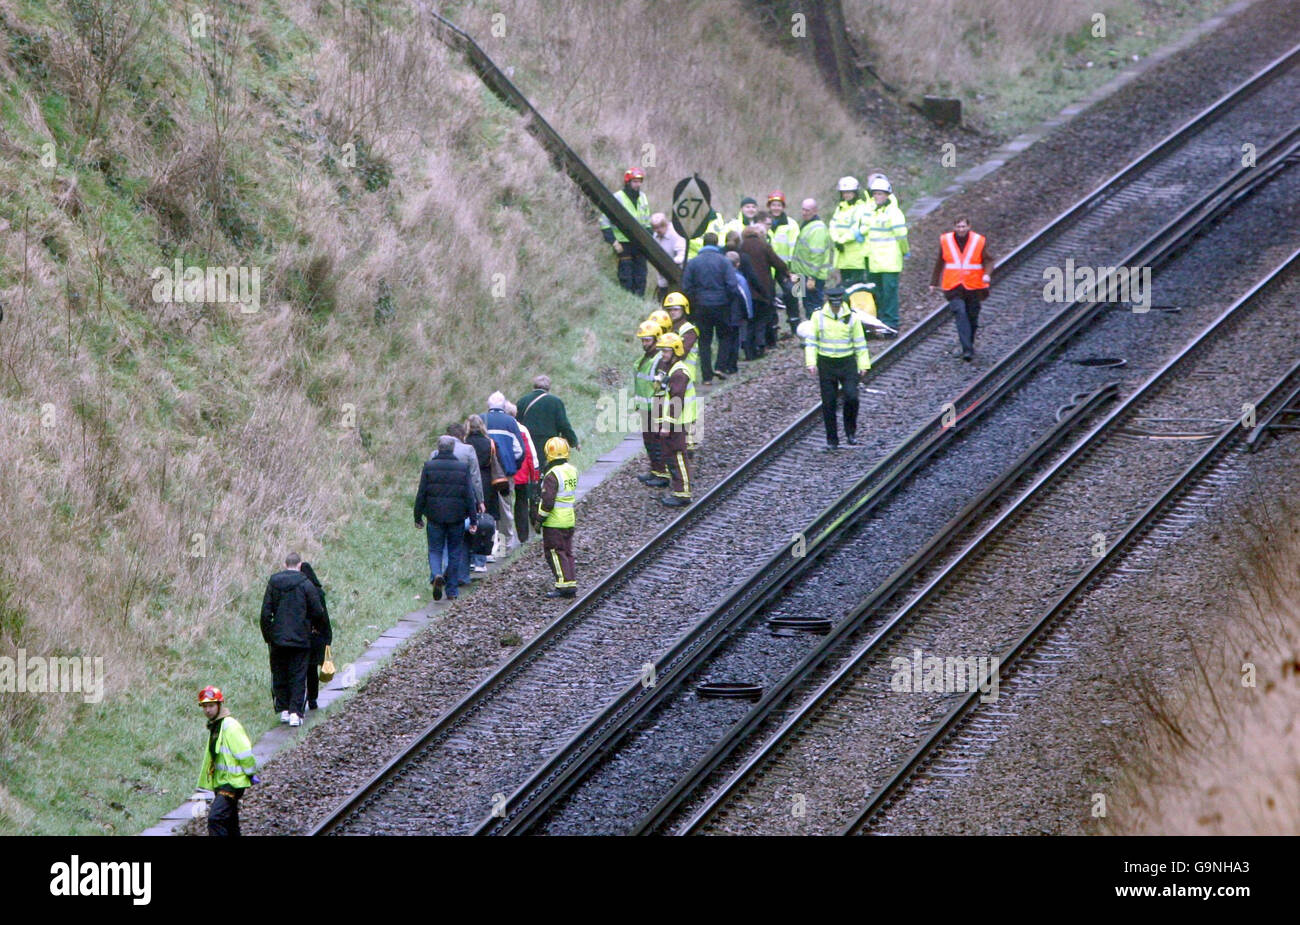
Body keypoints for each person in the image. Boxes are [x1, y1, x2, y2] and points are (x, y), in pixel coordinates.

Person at [260, 552, 327, 726]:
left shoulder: (273, 583)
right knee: (298, 674)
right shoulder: (306, 584)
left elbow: (265, 614)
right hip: (300, 638)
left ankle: (283, 709)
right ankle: (295, 713)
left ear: (284, 564)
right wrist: (313, 628)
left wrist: (269, 636)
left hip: (278, 639)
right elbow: (318, 611)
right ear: (299, 565)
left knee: (280, 672)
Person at [805, 285, 871, 450]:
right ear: (829, 302)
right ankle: (832, 439)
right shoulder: (817, 316)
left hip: (847, 363)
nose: (836, 307)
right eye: (833, 304)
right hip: (826, 364)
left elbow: (860, 343)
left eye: (838, 304)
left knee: (852, 397)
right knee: (829, 403)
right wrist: (811, 362)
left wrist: (864, 364)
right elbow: (811, 342)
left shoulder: (852, 317)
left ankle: (850, 432)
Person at [414, 435, 479, 600]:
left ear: (438, 447)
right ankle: (451, 590)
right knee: (454, 552)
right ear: (452, 448)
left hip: (434, 516)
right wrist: (473, 519)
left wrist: (418, 516)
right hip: (456, 517)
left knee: (435, 550)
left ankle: (436, 574)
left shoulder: (429, 466)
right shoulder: (462, 468)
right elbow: (469, 496)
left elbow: (421, 493)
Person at [196, 686, 257, 837]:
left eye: (211, 706)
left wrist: (250, 773)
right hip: (223, 782)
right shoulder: (216, 726)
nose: (207, 710)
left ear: (219, 705)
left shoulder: (230, 726)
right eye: (204, 706)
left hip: (232, 783)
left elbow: (244, 753)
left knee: (215, 820)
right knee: (230, 824)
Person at [930, 216, 993, 361]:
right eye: (958, 226)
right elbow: (940, 261)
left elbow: (989, 260)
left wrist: (987, 275)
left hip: (973, 286)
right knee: (960, 313)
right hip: (953, 286)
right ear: (954, 227)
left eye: (963, 226)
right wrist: (933, 282)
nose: (961, 229)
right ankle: (967, 350)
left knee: (972, 317)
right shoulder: (946, 241)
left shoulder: (978, 241)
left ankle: (969, 343)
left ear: (969, 227)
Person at [681, 232, 739, 385]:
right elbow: (732, 285)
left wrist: (695, 303)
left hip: (701, 307)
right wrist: (728, 301)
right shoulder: (724, 262)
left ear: (703, 244)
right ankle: (720, 367)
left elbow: (686, 287)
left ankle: (706, 377)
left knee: (704, 341)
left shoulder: (693, 263)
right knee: (724, 336)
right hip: (721, 305)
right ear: (716, 243)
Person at [534, 437, 580, 599]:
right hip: (569, 518)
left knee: (554, 552)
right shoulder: (572, 470)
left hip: (554, 521)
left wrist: (539, 519)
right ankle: (570, 582)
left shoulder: (552, 475)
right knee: (567, 552)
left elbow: (548, 502)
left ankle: (563, 584)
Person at [654, 331, 696, 507]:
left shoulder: (679, 373)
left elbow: (676, 401)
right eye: (662, 351)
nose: (663, 354)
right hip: (673, 422)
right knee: (672, 455)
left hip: (676, 423)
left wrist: (667, 424)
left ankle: (683, 493)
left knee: (678, 456)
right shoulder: (671, 369)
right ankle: (678, 489)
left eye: (666, 351)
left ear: (676, 351)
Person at [864, 175, 908, 334]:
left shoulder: (894, 213)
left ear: (888, 195)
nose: (877, 197)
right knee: (879, 292)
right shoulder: (873, 212)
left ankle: (891, 323)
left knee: (889, 293)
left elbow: (901, 236)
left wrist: (905, 251)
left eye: (880, 194)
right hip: (875, 261)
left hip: (889, 261)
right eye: (875, 194)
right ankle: (881, 321)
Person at [599, 166, 652, 296]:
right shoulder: (617, 197)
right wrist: (613, 242)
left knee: (641, 277)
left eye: (639, 181)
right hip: (623, 244)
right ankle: (628, 300)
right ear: (628, 182)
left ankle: (639, 302)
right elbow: (604, 221)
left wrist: (649, 238)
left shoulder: (643, 197)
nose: (637, 184)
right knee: (626, 276)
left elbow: (646, 220)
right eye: (635, 181)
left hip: (640, 243)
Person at [739, 223, 791, 353]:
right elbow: (778, 263)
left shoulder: (741, 247)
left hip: (745, 289)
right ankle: (761, 344)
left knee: (750, 320)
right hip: (764, 288)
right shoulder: (763, 245)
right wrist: (787, 272)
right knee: (762, 319)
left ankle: (748, 348)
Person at [634, 319, 669, 487]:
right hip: (645, 407)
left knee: (657, 443)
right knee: (649, 442)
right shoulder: (647, 357)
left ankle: (662, 474)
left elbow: (660, 385)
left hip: (655, 407)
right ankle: (655, 471)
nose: (644, 343)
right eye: (643, 340)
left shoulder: (659, 360)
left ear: (656, 339)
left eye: (647, 340)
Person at [517, 375, 580, 460]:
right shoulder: (555, 402)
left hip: (527, 442)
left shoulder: (522, 401)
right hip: (549, 444)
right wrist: (574, 441)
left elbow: (516, 423)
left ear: (534, 386)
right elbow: (564, 425)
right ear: (548, 388)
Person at [791, 198, 832, 322]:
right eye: (803, 209)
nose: (804, 213)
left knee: (813, 307)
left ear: (815, 211)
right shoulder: (808, 224)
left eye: (807, 210)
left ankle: (817, 332)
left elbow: (817, 256)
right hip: (800, 274)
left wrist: (812, 278)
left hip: (811, 277)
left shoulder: (817, 229)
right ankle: (807, 330)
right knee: (803, 304)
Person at [766, 191, 801, 336]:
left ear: (783, 206)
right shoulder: (764, 222)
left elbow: (795, 246)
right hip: (767, 268)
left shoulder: (791, 224)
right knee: (769, 297)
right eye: (773, 205)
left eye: (779, 205)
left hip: (785, 267)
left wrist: (793, 268)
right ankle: (772, 328)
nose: (776, 208)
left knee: (793, 294)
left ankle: (795, 325)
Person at [298, 561, 332, 711]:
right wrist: (327, 636)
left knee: (301, 669)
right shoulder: (318, 592)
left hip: (302, 635)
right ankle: (313, 699)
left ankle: (301, 699)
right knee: (312, 669)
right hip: (316, 636)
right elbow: (323, 616)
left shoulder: (300, 591)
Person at [507, 401, 540, 547]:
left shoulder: (495, 428)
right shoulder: (522, 429)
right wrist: (535, 474)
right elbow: (531, 453)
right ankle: (523, 536)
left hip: (504, 473)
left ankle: (505, 539)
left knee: (505, 505)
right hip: (521, 473)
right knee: (521, 503)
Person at [830, 176, 869, 286]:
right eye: (844, 192)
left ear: (855, 193)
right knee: (844, 287)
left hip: (856, 258)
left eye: (849, 192)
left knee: (857, 288)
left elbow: (856, 228)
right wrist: (836, 239)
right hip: (843, 257)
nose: (846, 195)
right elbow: (832, 225)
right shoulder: (840, 208)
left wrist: (841, 240)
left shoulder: (861, 208)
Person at [725, 249, 756, 364]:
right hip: (736, 313)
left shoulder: (720, 276)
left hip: (721, 312)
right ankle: (734, 362)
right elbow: (746, 297)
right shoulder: (739, 278)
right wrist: (749, 314)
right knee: (737, 336)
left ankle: (724, 362)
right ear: (738, 264)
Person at [650, 212, 686, 303]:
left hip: (677, 275)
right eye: (655, 228)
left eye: (660, 227)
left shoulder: (676, 234)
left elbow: (681, 254)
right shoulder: (656, 236)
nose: (657, 230)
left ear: (665, 225)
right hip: (662, 276)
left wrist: (673, 263)